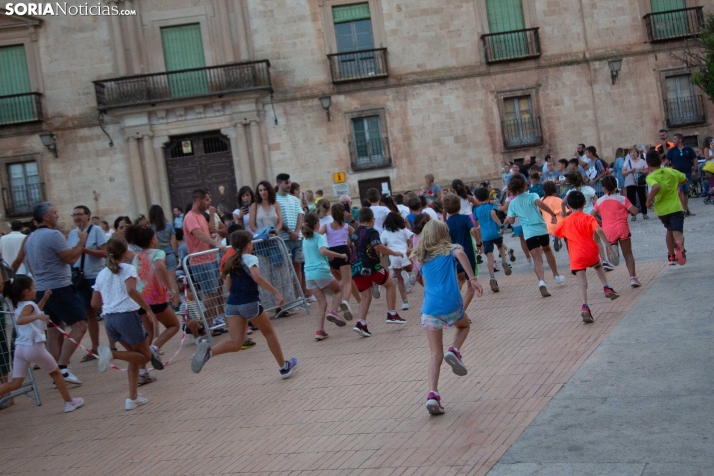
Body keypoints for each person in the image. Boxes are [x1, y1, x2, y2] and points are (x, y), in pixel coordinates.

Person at [191, 230, 298, 378]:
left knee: (236, 343)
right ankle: (283, 367)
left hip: (232, 304)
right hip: (249, 302)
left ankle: (210, 352)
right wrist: (276, 292)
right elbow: (257, 277)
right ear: (248, 244)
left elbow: (228, 287)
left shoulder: (231, 260)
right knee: (269, 333)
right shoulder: (250, 258)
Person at [411, 220, 483, 415]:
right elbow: (460, 253)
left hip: (429, 309)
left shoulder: (421, 257)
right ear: (444, 234)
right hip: (451, 305)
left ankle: (432, 394)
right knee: (464, 326)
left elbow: (424, 282)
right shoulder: (451, 250)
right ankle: (455, 350)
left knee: (435, 354)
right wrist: (473, 279)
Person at [17, 202, 88, 384]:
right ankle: (63, 368)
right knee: (80, 325)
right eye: (55, 213)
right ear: (46, 217)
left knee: (53, 331)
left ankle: (57, 373)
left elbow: (29, 264)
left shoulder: (30, 238)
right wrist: (82, 241)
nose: (58, 216)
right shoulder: (53, 235)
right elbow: (71, 258)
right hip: (59, 288)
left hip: (41, 289)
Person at [0, 277, 84, 413]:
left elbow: (33, 311)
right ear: (26, 291)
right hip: (34, 347)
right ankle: (69, 402)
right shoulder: (29, 306)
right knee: (57, 373)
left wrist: (44, 299)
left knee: (15, 383)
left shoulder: (19, 305)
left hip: (20, 348)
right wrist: (39, 317)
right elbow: (23, 319)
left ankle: (69, 401)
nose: (36, 290)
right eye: (34, 288)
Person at [92, 237, 156, 410]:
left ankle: (132, 397)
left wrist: (110, 298)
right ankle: (113, 355)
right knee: (145, 356)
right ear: (125, 252)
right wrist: (147, 309)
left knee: (134, 357)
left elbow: (94, 303)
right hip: (126, 316)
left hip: (109, 319)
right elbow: (131, 290)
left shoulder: (102, 274)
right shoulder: (128, 268)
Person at [553, 191, 620, 323]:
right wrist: (609, 247)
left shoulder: (566, 221)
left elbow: (555, 234)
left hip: (576, 256)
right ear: (585, 203)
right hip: (590, 252)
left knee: (582, 283)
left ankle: (585, 306)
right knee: (598, 266)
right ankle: (606, 286)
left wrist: (557, 241)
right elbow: (599, 230)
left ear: (569, 205)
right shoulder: (589, 218)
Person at [126, 224, 180, 384]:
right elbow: (159, 267)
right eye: (155, 237)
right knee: (174, 325)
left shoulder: (137, 256)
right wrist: (169, 288)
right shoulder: (158, 253)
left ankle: (142, 372)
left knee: (148, 332)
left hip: (141, 299)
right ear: (152, 240)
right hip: (155, 297)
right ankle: (155, 348)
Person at [505, 176, 565, 297]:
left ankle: (542, 281)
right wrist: (552, 213)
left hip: (529, 233)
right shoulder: (532, 196)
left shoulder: (512, 203)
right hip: (541, 229)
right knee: (547, 250)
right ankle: (556, 275)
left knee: (537, 259)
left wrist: (508, 219)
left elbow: (511, 221)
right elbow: (540, 204)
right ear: (525, 185)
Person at [350, 207, 405, 337]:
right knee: (390, 284)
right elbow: (378, 246)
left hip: (356, 268)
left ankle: (361, 323)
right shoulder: (372, 231)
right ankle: (392, 313)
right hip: (370, 267)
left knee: (365, 296)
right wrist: (394, 253)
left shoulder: (355, 232)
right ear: (372, 220)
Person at [67, 205, 107, 363]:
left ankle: (111, 345)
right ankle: (95, 347)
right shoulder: (71, 234)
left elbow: (104, 253)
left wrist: (84, 250)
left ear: (88, 216)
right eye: (74, 214)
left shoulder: (96, 231)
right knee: (89, 313)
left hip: (95, 276)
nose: (77, 217)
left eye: (80, 214)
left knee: (105, 309)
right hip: (79, 278)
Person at [183, 189, 227, 324]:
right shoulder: (190, 217)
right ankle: (205, 325)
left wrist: (213, 236)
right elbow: (198, 233)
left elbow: (207, 232)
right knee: (208, 294)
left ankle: (210, 322)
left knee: (214, 293)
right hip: (200, 262)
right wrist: (215, 243)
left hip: (211, 258)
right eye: (207, 200)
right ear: (199, 200)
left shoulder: (201, 216)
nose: (210, 202)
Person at [302, 213, 347, 340]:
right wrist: (340, 255)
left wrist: (327, 255)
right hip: (320, 271)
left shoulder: (305, 239)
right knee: (338, 290)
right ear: (317, 224)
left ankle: (320, 330)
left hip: (309, 274)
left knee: (322, 303)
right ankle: (333, 311)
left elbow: (314, 254)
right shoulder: (318, 237)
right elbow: (322, 251)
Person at [593, 176, 642, 287]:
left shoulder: (599, 201)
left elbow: (591, 215)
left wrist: (600, 222)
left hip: (608, 230)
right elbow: (634, 211)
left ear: (603, 188)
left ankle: (612, 253)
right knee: (628, 253)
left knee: (611, 247)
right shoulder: (622, 199)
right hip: (622, 228)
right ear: (616, 186)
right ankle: (633, 278)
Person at [644, 151, 688, 266]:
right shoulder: (671, 171)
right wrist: (675, 183)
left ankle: (671, 255)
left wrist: (648, 200)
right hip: (676, 207)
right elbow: (685, 180)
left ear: (647, 164)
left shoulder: (651, 177)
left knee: (669, 229)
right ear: (660, 160)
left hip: (662, 210)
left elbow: (656, 186)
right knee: (677, 232)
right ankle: (679, 247)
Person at [563, 173, 613, 271]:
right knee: (597, 240)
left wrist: (565, 213)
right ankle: (603, 261)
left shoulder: (571, 192)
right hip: (590, 217)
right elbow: (596, 200)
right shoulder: (588, 189)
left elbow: (562, 202)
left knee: (581, 241)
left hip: (577, 220)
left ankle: (581, 262)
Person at [319, 203, 358, 317]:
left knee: (338, 280)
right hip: (343, 251)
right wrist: (352, 220)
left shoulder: (326, 226)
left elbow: (317, 236)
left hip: (331, 253)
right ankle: (345, 301)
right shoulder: (347, 227)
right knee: (347, 281)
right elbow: (359, 232)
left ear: (331, 213)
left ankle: (337, 303)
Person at [443, 195, 480, 310]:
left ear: (445, 209)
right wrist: (479, 243)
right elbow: (473, 229)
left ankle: (454, 303)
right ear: (459, 206)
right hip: (468, 254)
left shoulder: (446, 224)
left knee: (460, 279)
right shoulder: (465, 219)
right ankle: (462, 311)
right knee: (471, 284)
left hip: (454, 256)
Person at [473, 188, 512, 293]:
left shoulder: (476, 209)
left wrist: (479, 240)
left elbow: (476, 226)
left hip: (485, 236)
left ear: (476, 198)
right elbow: (501, 209)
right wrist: (501, 225)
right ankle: (504, 261)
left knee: (490, 257)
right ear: (489, 196)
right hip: (495, 232)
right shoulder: (492, 206)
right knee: (500, 247)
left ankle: (492, 278)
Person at [275, 173, 307, 301]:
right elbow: (278, 218)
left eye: (289, 182)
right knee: (287, 269)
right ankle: (290, 297)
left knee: (298, 266)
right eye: (286, 183)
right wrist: (289, 232)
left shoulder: (294, 199)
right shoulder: (275, 199)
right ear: (279, 184)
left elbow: (300, 215)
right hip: (284, 238)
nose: (289, 185)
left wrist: (297, 231)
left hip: (297, 238)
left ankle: (299, 296)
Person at [380, 212, 414, 310]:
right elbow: (414, 237)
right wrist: (410, 247)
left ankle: (405, 302)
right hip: (404, 254)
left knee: (399, 279)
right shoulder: (403, 230)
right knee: (412, 270)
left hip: (393, 256)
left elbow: (381, 245)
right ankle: (408, 277)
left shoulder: (385, 233)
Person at [665, 133, 699, 216]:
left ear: (680, 140)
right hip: (676, 174)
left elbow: (694, 159)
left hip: (687, 172)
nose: (673, 141)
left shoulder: (688, 149)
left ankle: (686, 209)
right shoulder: (672, 150)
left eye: (675, 139)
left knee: (686, 192)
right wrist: (669, 170)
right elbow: (667, 161)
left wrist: (695, 170)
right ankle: (682, 210)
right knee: (680, 191)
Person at [622, 146, 649, 221]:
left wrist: (640, 171)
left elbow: (646, 171)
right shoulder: (627, 162)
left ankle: (644, 213)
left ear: (637, 153)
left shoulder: (642, 161)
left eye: (634, 152)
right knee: (631, 198)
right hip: (630, 182)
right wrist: (630, 170)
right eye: (631, 152)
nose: (633, 154)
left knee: (642, 197)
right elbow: (623, 172)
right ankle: (633, 214)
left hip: (640, 181)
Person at [149, 205, 178, 274]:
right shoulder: (169, 225)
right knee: (172, 281)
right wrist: (176, 254)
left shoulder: (150, 228)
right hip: (169, 254)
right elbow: (174, 241)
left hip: (157, 256)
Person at [540, 181, 565, 251]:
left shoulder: (542, 200)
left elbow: (537, 210)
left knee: (551, 232)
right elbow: (566, 211)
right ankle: (558, 238)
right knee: (562, 232)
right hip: (559, 222)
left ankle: (555, 238)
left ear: (544, 191)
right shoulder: (558, 200)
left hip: (549, 224)